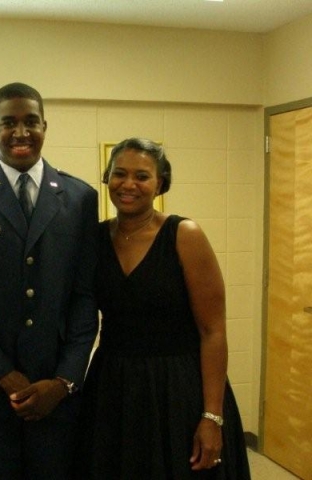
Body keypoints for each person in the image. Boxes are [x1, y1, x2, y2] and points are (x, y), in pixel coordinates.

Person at [0, 82, 99, 480]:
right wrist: (4, 376)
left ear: (45, 126)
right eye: (9, 122)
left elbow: (85, 296)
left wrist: (63, 380)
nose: (21, 132)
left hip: (56, 393)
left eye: (31, 122)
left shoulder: (79, 197)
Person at [75, 138, 251, 479]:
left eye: (142, 176)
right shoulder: (94, 238)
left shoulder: (184, 235)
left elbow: (213, 331)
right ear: (106, 178)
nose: (128, 184)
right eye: (119, 174)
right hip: (113, 388)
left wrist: (212, 417)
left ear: (160, 183)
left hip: (178, 390)